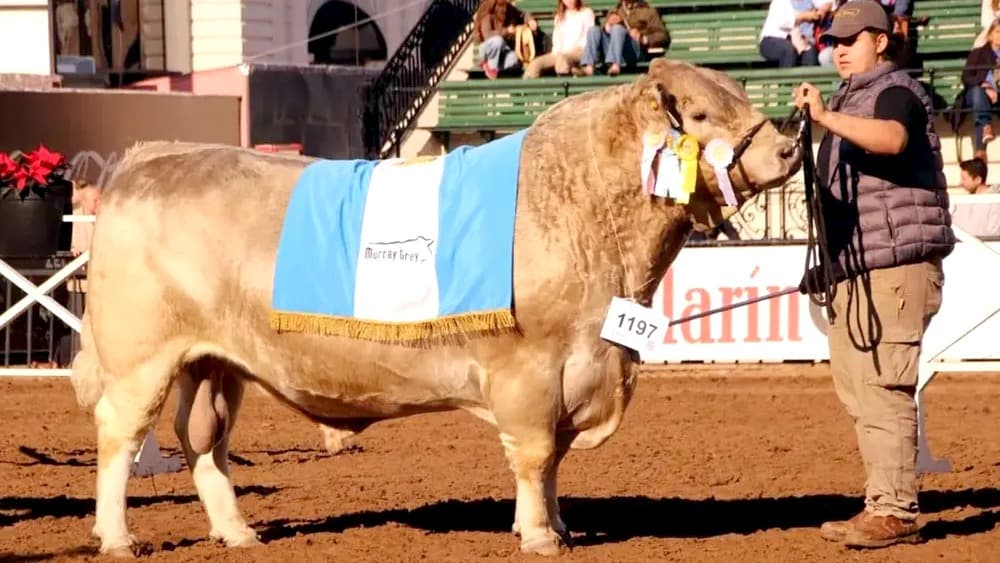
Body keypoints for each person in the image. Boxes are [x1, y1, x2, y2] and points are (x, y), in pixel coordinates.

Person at [793, 0, 955, 549]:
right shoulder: (850, 102)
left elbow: (893, 140)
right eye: (832, 41)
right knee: (861, 392)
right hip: (860, 270)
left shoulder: (896, 93)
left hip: (897, 269)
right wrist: (831, 266)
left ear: (881, 42)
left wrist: (824, 119)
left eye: (850, 39)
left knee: (884, 387)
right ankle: (881, 502)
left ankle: (895, 510)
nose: (838, 49)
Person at [579, 0, 669, 76]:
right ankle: (588, 66)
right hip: (613, 51)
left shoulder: (648, 11)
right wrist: (608, 25)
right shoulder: (615, 10)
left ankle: (615, 65)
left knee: (618, 29)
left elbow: (663, 36)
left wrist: (642, 38)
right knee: (594, 30)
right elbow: (602, 33)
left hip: (634, 52)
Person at [524, 0, 595, 78]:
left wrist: (570, 52)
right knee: (535, 64)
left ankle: (574, 74)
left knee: (562, 61)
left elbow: (588, 38)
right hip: (559, 53)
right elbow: (557, 39)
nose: (569, 1)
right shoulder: (560, 15)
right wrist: (557, 52)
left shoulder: (587, 13)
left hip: (579, 51)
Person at [962, 18, 1000, 159]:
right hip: (975, 92)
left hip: (997, 96)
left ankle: (980, 152)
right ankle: (985, 131)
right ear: (990, 34)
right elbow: (966, 77)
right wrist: (984, 85)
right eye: (997, 32)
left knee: (981, 106)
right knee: (978, 94)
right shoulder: (978, 53)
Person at [475, 0, 538, 79]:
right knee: (498, 41)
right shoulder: (488, 12)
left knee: (515, 59)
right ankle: (491, 67)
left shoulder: (508, 8)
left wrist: (530, 20)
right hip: (488, 49)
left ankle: (491, 67)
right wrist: (506, 31)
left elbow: (522, 15)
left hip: (503, 51)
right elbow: (487, 35)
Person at [759, 0, 823, 67]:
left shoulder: (808, 3)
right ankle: (787, 77)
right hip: (769, 41)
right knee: (788, 50)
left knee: (810, 52)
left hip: (794, 41)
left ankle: (807, 77)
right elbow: (782, 22)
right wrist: (803, 16)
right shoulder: (779, 2)